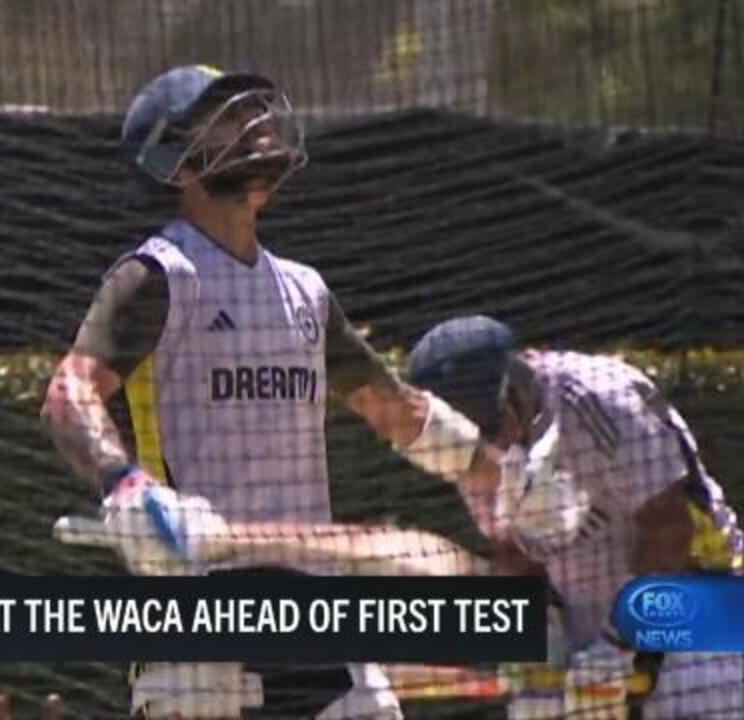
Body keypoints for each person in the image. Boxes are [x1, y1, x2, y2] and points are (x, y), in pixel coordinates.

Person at [40, 64, 494, 720]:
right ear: (177, 158)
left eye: (254, 110)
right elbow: (68, 393)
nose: (256, 124)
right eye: (225, 117)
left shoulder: (306, 290)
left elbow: (396, 411)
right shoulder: (159, 275)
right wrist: (128, 488)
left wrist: (507, 479)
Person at [404, 315, 743, 719]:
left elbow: (669, 528)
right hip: (583, 628)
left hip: (696, 602)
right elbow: (514, 551)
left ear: (512, 392)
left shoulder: (602, 399)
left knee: (697, 695)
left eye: (486, 429)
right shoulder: (465, 448)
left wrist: (621, 643)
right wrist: (534, 634)